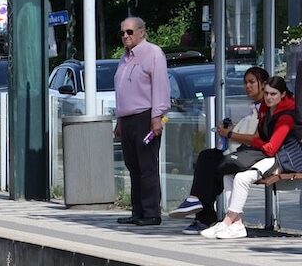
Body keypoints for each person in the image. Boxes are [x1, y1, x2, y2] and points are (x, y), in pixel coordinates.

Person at [169, 66, 269, 234]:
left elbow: (257, 138)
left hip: (256, 155)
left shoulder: (266, 109)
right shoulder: (255, 107)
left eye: (252, 82)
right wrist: (231, 131)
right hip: (245, 152)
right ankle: (199, 206)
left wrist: (229, 133)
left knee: (214, 164)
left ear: (264, 84)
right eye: (245, 83)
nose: (247, 86)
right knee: (207, 157)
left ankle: (203, 213)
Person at [202, 76, 298, 240]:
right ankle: (237, 223)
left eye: (273, 94)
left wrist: (254, 141)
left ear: (282, 95)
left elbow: (271, 147)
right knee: (229, 172)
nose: (268, 97)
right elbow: (265, 144)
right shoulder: (266, 110)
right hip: (269, 156)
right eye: (267, 93)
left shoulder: (286, 117)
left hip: (284, 159)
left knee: (242, 178)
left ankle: (227, 221)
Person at [114, 17, 170, 227]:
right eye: (122, 33)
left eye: (129, 32)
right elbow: (122, 91)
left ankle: (151, 212)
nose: (125, 37)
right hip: (127, 118)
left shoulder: (152, 53)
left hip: (145, 116)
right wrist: (119, 120)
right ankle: (137, 210)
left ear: (141, 32)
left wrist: (157, 116)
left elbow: (160, 85)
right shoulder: (124, 58)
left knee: (147, 165)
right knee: (132, 165)